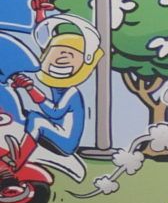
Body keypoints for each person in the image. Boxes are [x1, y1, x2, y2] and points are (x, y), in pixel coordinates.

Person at [0, 13, 102, 159]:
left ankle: (18, 160)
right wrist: (40, 14)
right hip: (55, 132)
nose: (62, 58)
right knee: (23, 116)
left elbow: (55, 112)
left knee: (36, 120)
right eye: (58, 52)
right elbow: (45, 44)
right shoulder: (56, 85)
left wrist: (31, 89)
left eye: (70, 54)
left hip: (65, 142)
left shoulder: (72, 92)